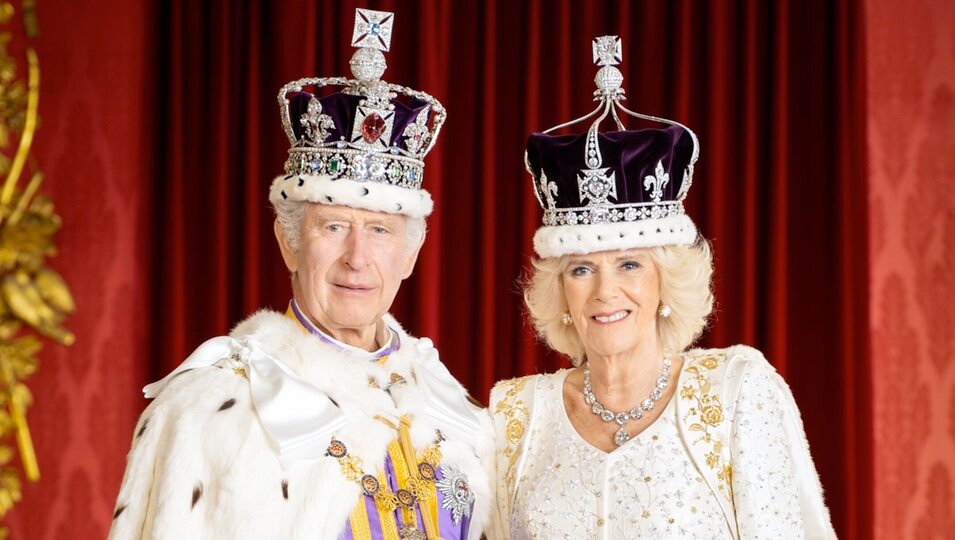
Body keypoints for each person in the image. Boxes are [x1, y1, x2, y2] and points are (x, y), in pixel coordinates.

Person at [109, 9, 492, 540]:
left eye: (380, 231)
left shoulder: (449, 403)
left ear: (410, 254)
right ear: (288, 242)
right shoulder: (211, 408)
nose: (357, 257)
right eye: (334, 226)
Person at [488, 36, 835, 539]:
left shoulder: (736, 391)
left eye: (630, 264)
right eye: (581, 269)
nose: (606, 291)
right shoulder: (515, 416)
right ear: (560, 291)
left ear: (665, 283)